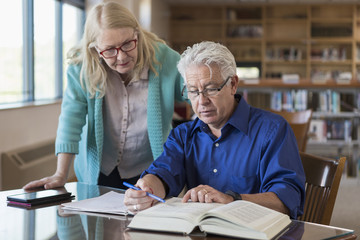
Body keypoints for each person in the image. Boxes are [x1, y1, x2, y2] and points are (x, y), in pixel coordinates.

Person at [124, 41, 306, 219]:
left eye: (211, 89)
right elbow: (164, 172)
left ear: (233, 84)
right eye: (193, 91)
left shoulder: (272, 130)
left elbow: (288, 199)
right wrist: (147, 188)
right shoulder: (183, 135)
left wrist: (232, 200)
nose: (201, 101)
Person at [23, 1, 185, 190]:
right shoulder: (81, 68)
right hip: (99, 168)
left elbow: (195, 93)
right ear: (95, 49)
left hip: (148, 169)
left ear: (137, 35)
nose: (122, 57)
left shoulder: (164, 58)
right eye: (109, 50)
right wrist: (61, 174)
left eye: (127, 44)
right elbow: (71, 119)